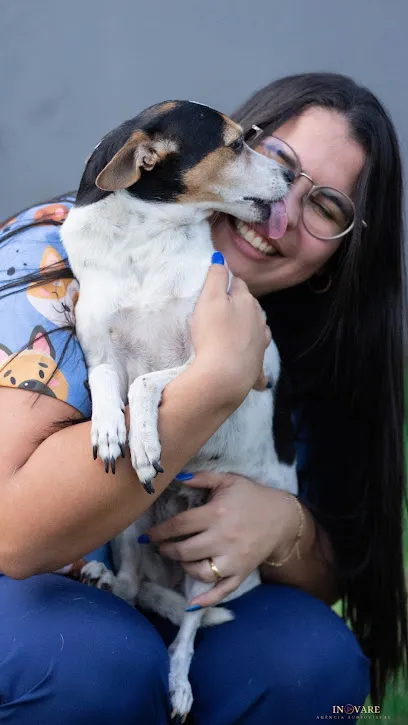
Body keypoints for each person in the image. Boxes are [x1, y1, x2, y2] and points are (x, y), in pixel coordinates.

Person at [0, 71, 405, 724]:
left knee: (311, 662)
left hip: (182, 596)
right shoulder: (60, 252)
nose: (281, 213)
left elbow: (336, 568)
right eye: (276, 161)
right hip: (28, 594)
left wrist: (285, 526)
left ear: (342, 253)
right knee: (95, 658)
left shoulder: (317, 337)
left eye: (327, 206)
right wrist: (213, 381)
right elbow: (10, 531)